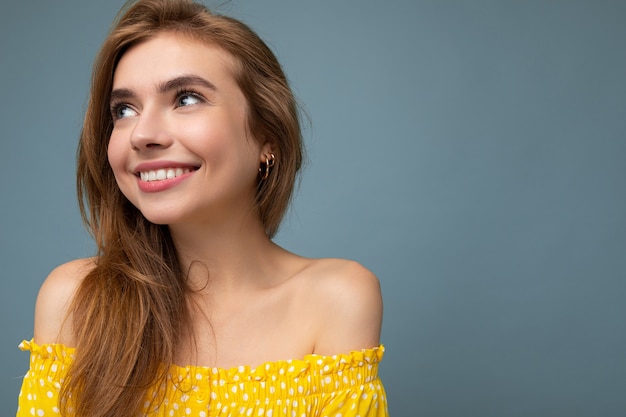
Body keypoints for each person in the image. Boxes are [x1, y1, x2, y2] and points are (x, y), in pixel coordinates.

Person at [16, 0, 388, 416]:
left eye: (186, 99)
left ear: (268, 137)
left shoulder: (335, 298)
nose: (142, 134)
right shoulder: (75, 300)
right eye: (124, 110)